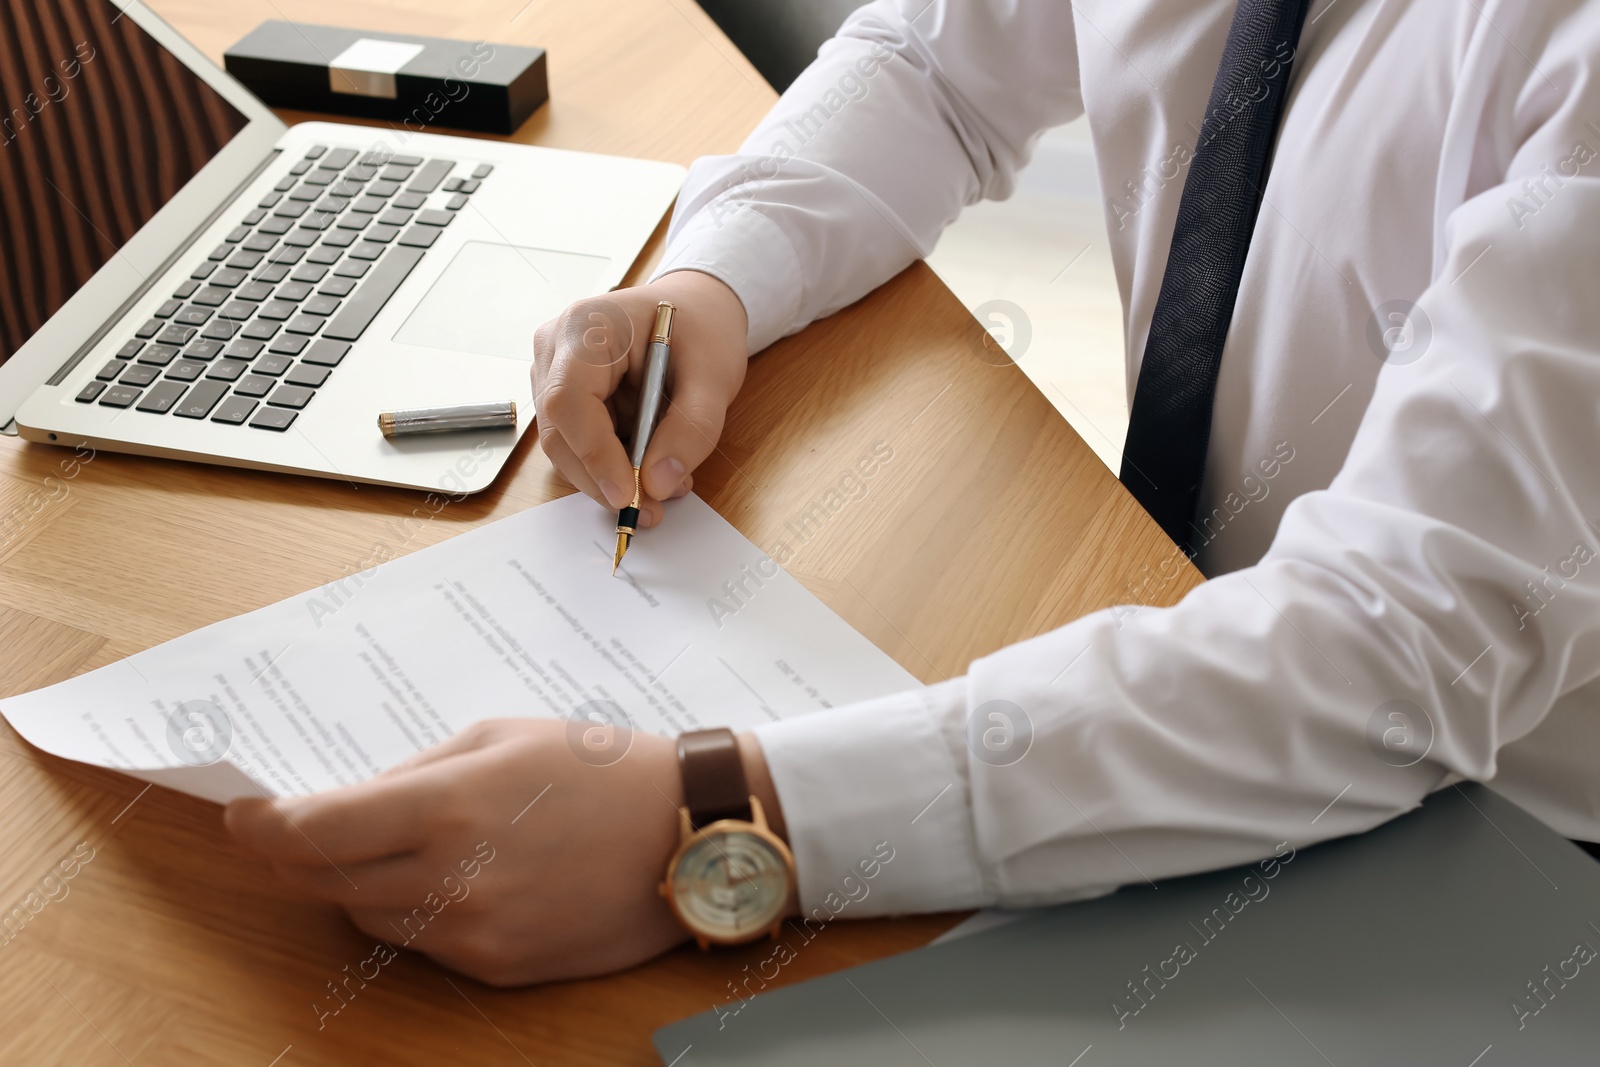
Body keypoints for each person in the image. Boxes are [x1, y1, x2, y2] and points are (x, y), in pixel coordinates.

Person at [226, 0, 1600, 986]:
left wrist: (712, 826)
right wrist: (716, 278)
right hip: (1177, 652)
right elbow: (936, 63)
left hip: (1496, 839)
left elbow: (1395, 653)